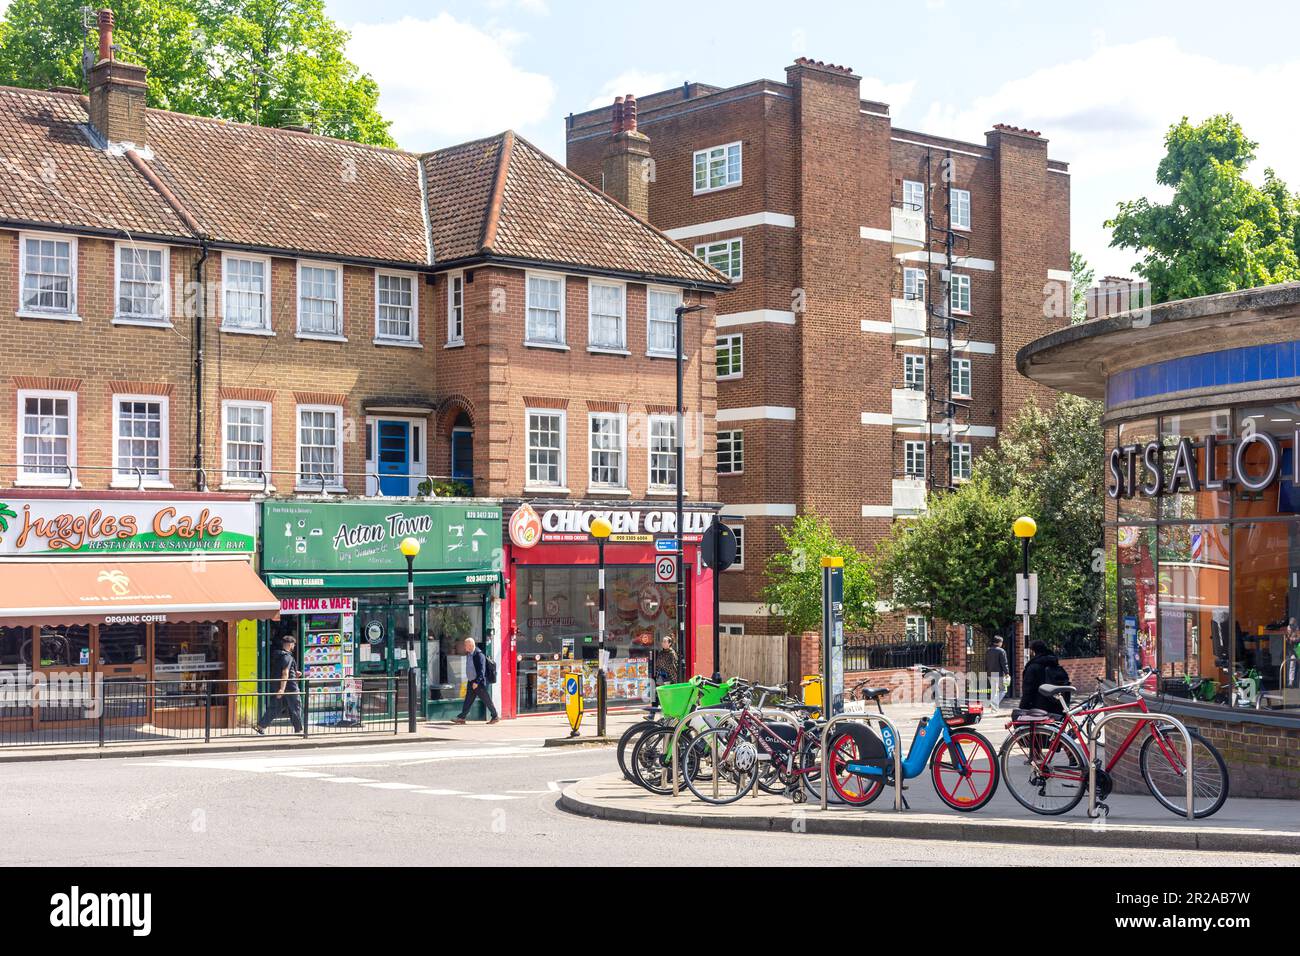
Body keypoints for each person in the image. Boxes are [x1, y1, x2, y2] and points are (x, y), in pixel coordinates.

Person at [255, 635, 303, 734]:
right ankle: (299, 730)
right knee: (296, 707)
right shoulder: (287, 657)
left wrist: (294, 672)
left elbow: (284, 671)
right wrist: (282, 689)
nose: (294, 646)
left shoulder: (278, 656)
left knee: (276, 707)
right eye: (293, 644)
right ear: (290, 645)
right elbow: (285, 672)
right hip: (290, 687)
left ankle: (261, 726)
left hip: (279, 685)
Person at [1019, 639, 1071, 715]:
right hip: (1057, 705)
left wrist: (1022, 708)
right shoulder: (1054, 664)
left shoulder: (1033, 667)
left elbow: (1028, 691)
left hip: (1039, 708)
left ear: (1033, 652)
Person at [454, 638, 498, 724]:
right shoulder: (469, 654)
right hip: (471, 681)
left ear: (470, 645)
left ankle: (495, 716)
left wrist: (477, 682)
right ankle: (462, 718)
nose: (464, 647)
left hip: (478, 683)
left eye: (465, 645)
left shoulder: (479, 655)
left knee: (486, 700)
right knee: (468, 700)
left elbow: (482, 671)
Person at [984, 635, 1009, 709]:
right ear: (999, 642)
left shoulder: (988, 650)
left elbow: (986, 662)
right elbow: (1004, 663)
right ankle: (994, 704)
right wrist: (1007, 673)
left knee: (993, 691)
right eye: (1002, 642)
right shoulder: (1001, 651)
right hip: (999, 674)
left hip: (990, 673)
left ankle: (994, 708)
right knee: (1003, 690)